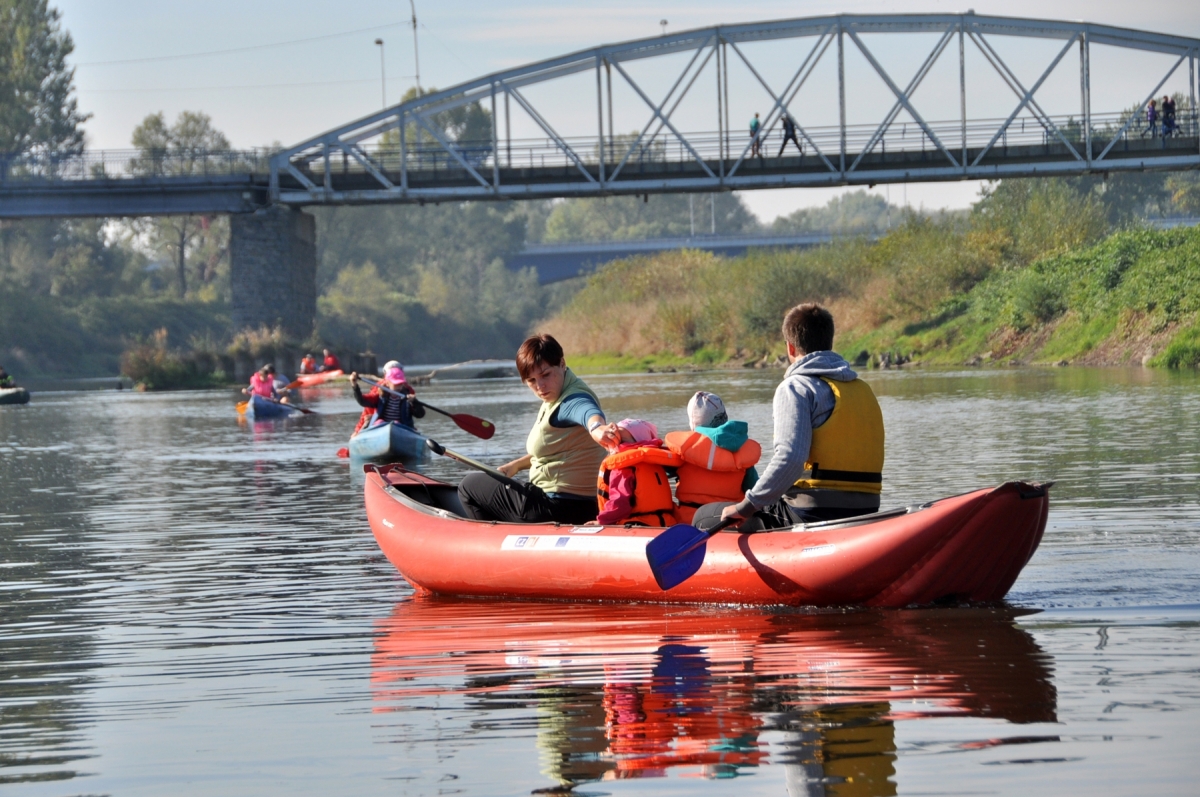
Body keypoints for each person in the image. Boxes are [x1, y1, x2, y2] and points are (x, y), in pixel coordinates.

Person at [704, 303, 884, 531]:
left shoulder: (796, 387)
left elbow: (790, 458)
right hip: (867, 510)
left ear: (790, 348)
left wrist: (747, 506)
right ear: (829, 342)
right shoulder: (862, 389)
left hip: (810, 512)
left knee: (705, 515)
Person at [458, 333, 617, 524]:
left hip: (552, 508)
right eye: (531, 380)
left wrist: (598, 428)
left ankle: (492, 545)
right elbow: (555, 451)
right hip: (586, 507)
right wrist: (515, 465)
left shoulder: (572, 399)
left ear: (562, 364)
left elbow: (587, 412)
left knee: (468, 485)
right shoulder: (560, 392)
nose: (540, 386)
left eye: (545, 375)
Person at [664, 392, 761, 524]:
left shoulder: (683, 450)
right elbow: (755, 490)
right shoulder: (741, 450)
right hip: (730, 523)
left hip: (689, 523)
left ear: (693, 421)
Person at [595, 419, 680, 527]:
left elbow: (620, 504)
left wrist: (602, 521)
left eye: (621, 440)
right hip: (666, 525)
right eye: (614, 437)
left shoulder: (623, 466)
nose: (616, 443)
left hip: (637, 526)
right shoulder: (656, 463)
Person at [349, 360, 424, 434]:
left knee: (396, 423)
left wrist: (415, 403)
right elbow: (363, 402)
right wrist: (355, 386)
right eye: (396, 384)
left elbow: (420, 414)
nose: (399, 387)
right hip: (381, 427)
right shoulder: (380, 393)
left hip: (401, 428)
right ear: (387, 382)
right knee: (380, 422)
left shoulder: (408, 393)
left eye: (400, 384)